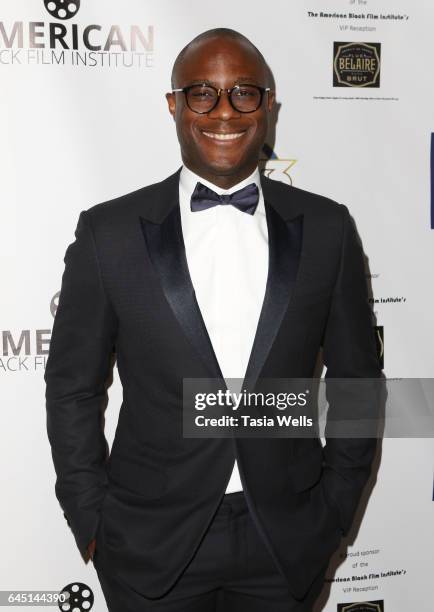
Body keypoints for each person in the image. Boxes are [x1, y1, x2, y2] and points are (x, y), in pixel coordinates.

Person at [45, 27, 381, 611]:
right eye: (202, 93)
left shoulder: (328, 229)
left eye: (243, 93)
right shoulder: (110, 233)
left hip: (286, 537)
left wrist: (334, 514)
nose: (224, 111)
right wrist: (92, 520)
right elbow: (72, 387)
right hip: (148, 543)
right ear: (173, 106)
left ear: (269, 106)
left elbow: (358, 384)